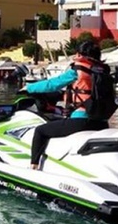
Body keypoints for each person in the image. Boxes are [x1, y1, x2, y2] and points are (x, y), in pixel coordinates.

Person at [25, 41, 110, 170]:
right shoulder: (103, 72)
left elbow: (52, 84)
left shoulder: (78, 70)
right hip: (102, 123)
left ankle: (33, 166)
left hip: (81, 121)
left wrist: (29, 88)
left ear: (80, 54)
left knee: (40, 131)